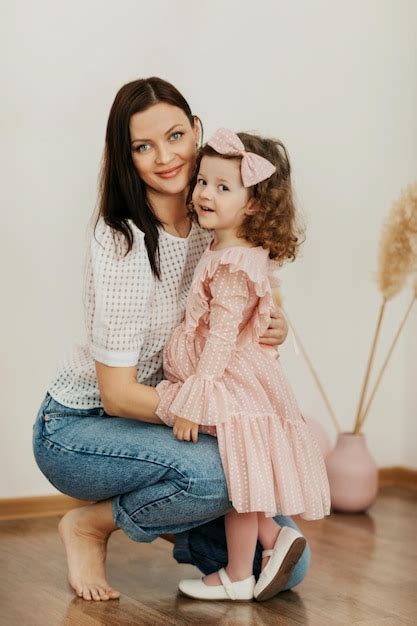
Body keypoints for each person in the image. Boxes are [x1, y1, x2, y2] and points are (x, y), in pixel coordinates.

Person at [32, 77, 310, 603]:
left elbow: (243, 301)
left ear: (197, 132)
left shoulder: (215, 209)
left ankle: (190, 511)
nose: (166, 157)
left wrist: (277, 324)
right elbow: (118, 395)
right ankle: (92, 524)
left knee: (288, 567)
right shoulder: (122, 241)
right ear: (125, 156)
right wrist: (214, 417)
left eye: (176, 136)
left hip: (180, 417)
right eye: (143, 146)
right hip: (83, 425)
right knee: (226, 469)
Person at [156, 128, 330, 601]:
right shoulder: (234, 251)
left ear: (253, 204)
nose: (206, 194)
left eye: (224, 186)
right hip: (239, 377)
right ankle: (264, 549)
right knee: (243, 478)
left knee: (239, 481)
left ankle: (243, 568)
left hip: (228, 381)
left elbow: (221, 338)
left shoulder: (232, 263)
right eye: (204, 182)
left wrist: (195, 398)